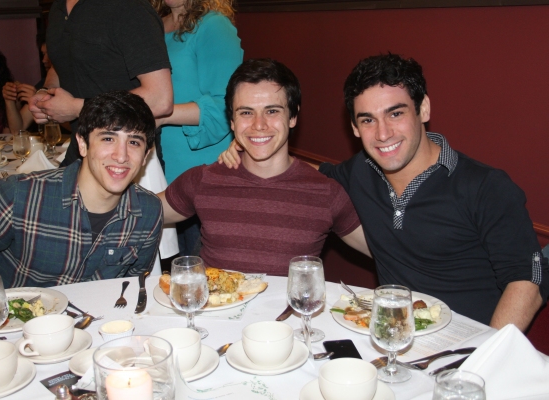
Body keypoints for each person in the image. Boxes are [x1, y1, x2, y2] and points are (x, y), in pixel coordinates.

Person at [218, 54, 549, 331]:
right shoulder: (358, 174)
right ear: (354, 127)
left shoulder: (485, 187)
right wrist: (252, 146)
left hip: (469, 342)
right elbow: (301, 174)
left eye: (396, 113)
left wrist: (484, 358)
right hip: (393, 336)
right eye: (367, 120)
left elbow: (526, 284)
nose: (383, 133)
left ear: (423, 109)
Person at [158, 58, 369, 276]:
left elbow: (389, 253)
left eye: (272, 111)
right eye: (246, 112)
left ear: (293, 116)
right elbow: (136, 212)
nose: (259, 125)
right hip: (215, 308)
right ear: (232, 120)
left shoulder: (326, 193)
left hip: (291, 310)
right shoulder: (203, 179)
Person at [0, 91, 163, 304]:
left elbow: (133, 285)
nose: (121, 155)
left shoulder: (149, 212)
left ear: (145, 156)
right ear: (82, 143)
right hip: (16, 325)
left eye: (134, 142)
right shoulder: (19, 195)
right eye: (108, 138)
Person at [28, 0, 173, 167]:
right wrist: (46, 92)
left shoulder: (130, 8)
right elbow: (62, 62)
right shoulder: (57, 8)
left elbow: (160, 99)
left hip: (125, 157)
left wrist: (76, 108)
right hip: (79, 151)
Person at [149, 0, 243, 256]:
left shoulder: (213, 26)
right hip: (153, 170)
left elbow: (229, 106)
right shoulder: (150, 24)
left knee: (197, 276)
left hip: (200, 177)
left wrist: (162, 115)